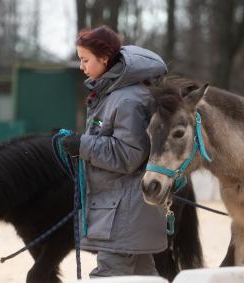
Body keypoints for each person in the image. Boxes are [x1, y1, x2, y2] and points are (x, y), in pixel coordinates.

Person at [63, 25, 168, 277]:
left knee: (108, 277)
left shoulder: (127, 99)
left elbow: (129, 155)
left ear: (104, 59)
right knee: (143, 277)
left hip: (124, 212)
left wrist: (82, 145)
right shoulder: (114, 95)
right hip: (123, 209)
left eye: (85, 60)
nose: (81, 67)